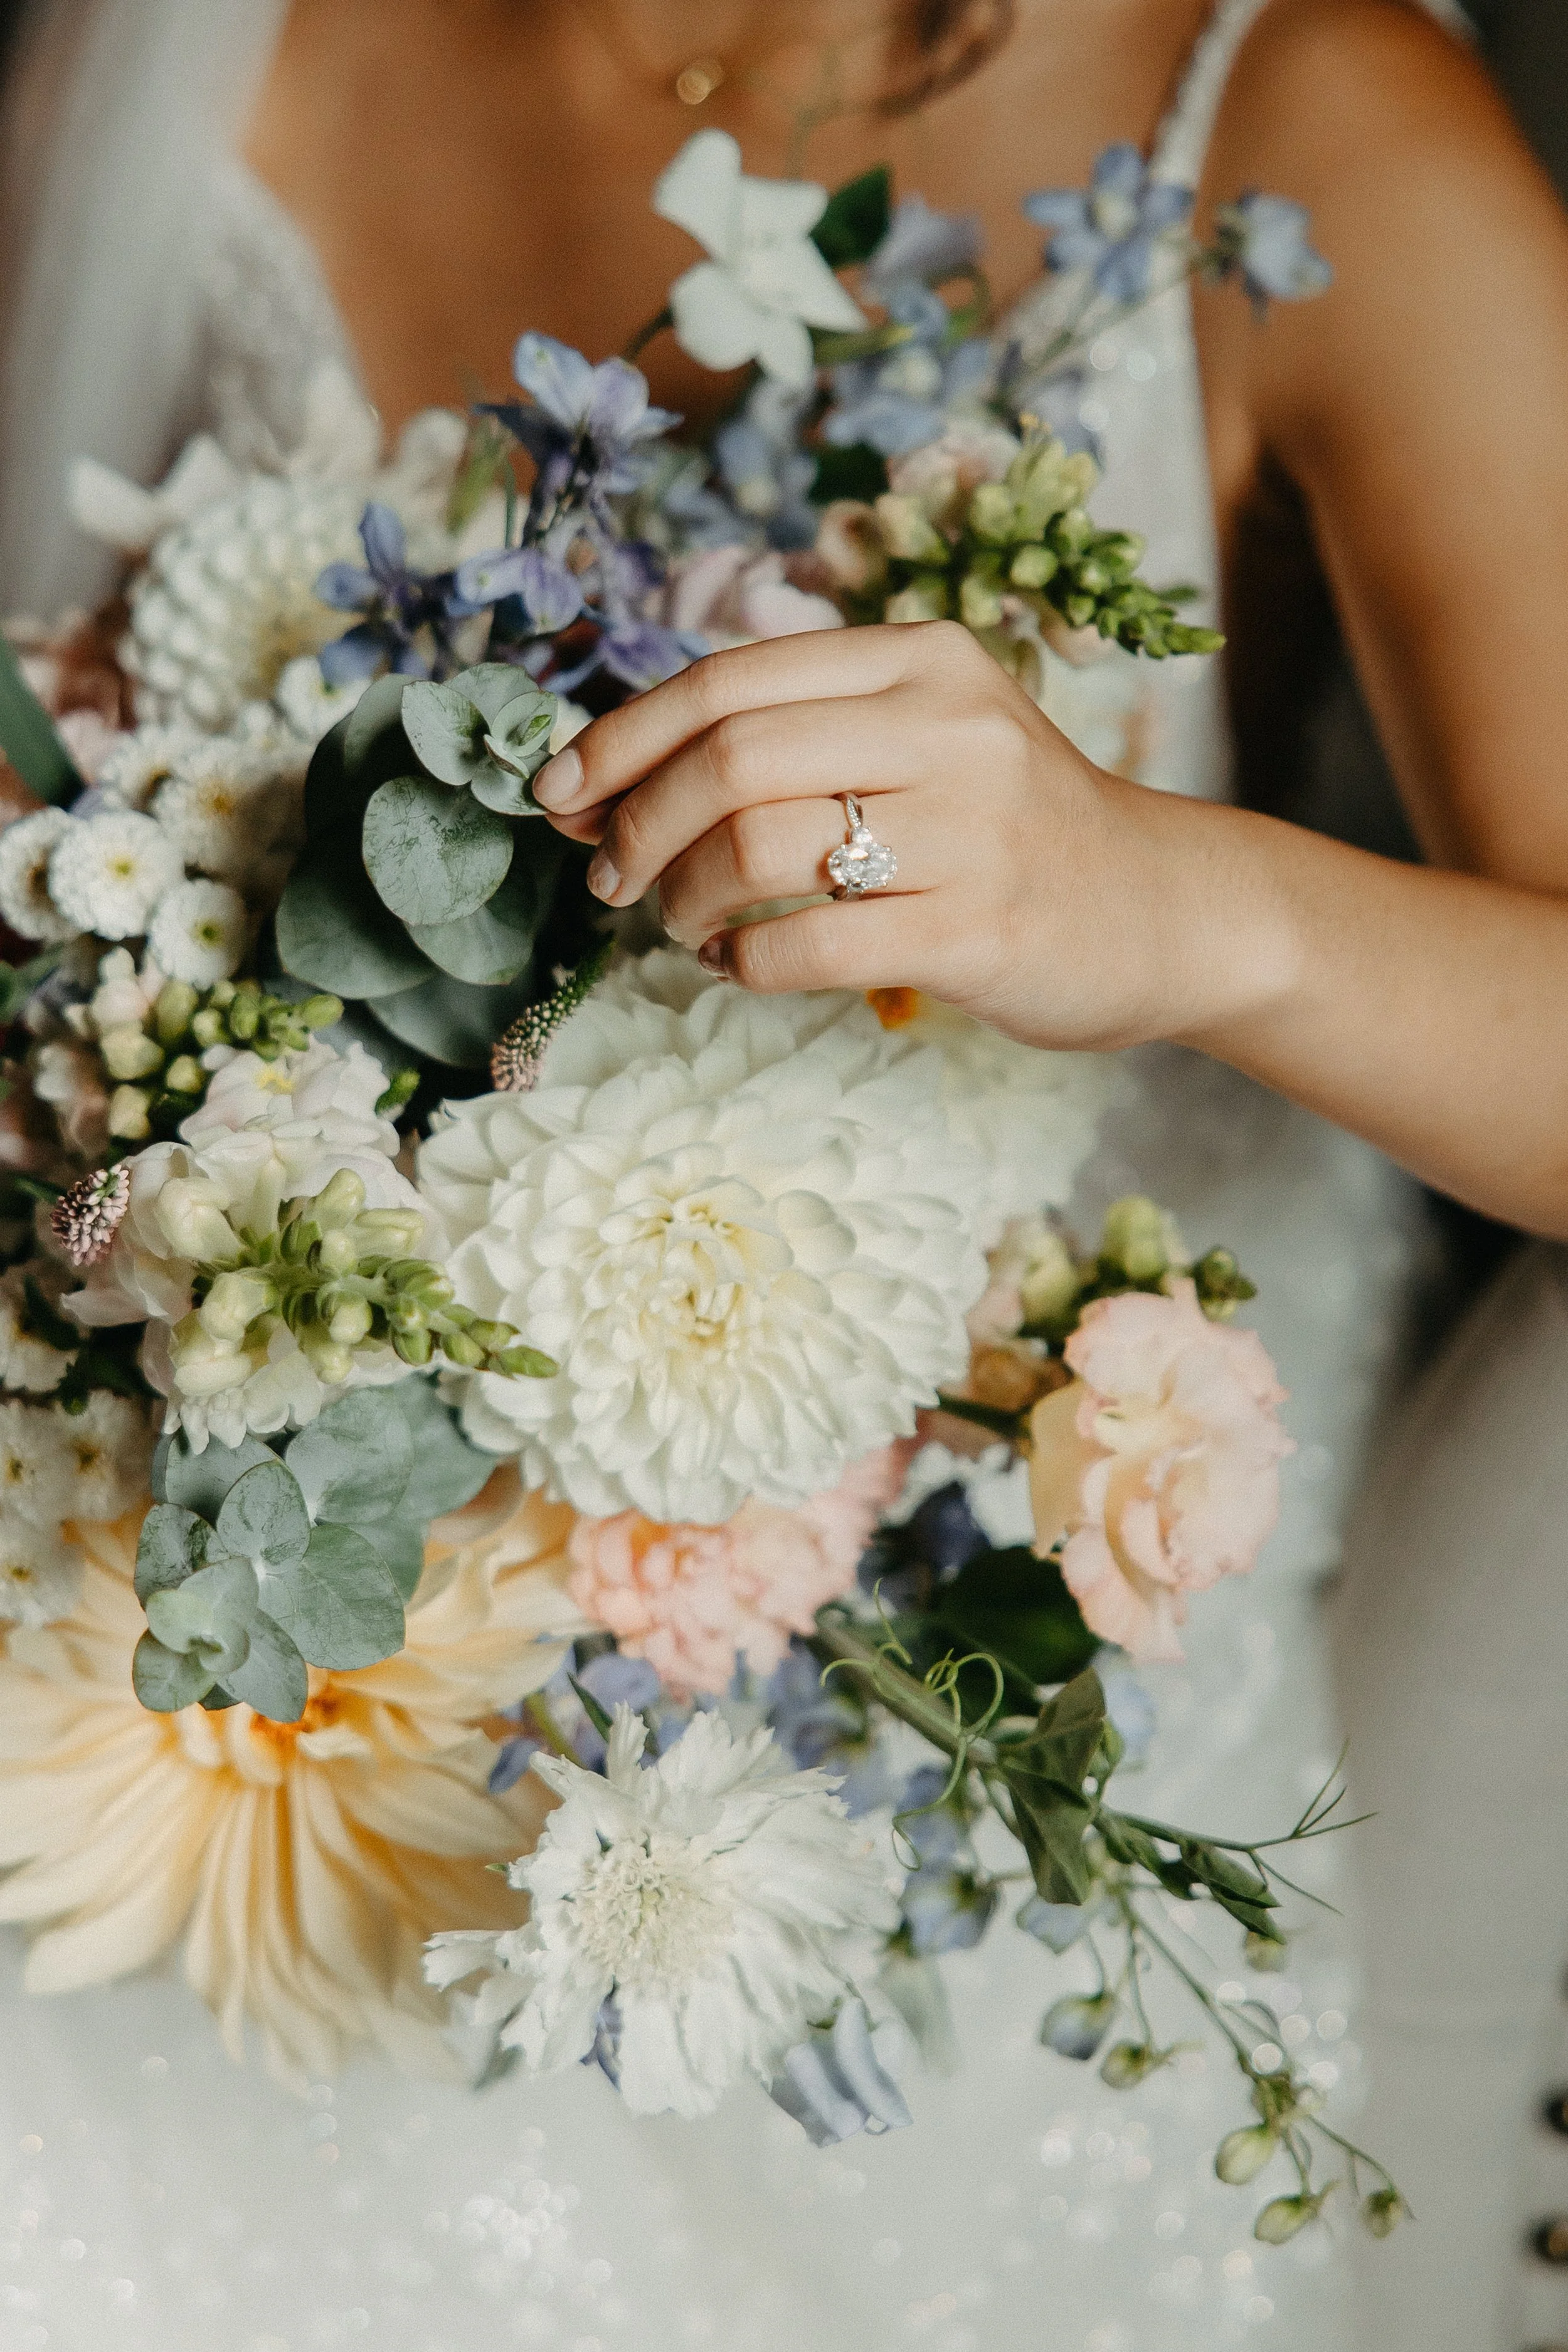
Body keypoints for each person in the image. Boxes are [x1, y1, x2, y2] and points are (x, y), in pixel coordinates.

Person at [0, 4, 1562, 2348]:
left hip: (991, 1864)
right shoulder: (202, 54)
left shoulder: (1306, 115)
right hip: (262, 1767)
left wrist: (1175, 905)